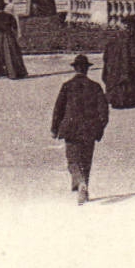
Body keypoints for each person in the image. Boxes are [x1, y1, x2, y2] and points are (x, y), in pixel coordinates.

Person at [50, 54, 110, 205]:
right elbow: (104, 111)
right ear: (87, 70)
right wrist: (99, 127)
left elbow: (58, 109)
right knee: (86, 161)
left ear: (75, 68)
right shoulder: (95, 86)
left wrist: (54, 128)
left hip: (70, 128)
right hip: (89, 129)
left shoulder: (67, 86)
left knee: (72, 160)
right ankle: (84, 189)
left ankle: (80, 183)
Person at [0, 2, 27, 80]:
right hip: (9, 36)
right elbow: (14, 26)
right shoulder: (10, 16)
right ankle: (15, 72)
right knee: (12, 54)